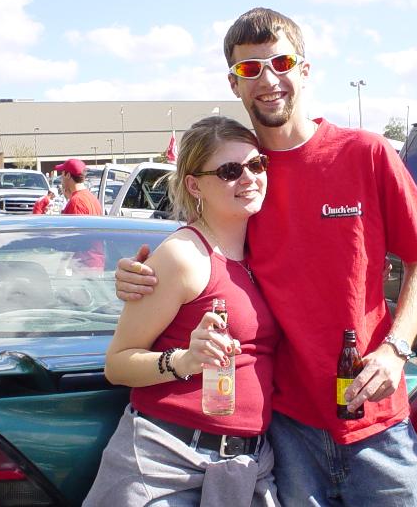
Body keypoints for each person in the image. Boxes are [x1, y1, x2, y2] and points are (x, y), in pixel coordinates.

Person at [116, 8, 417, 505]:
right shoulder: (241, 182)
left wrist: (397, 350)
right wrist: (138, 276)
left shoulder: (366, 153)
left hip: (377, 420)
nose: (268, 80)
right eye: (250, 69)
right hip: (285, 434)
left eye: (281, 63)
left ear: (304, 69)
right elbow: (203, 257)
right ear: (234, 83)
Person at [83, 117, 280, 506]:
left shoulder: (263, 251)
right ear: (194, 185)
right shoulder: (182, 256)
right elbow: (118, 364)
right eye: (230, 171)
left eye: (256, 164)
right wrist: (185, 360)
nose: (249, 178)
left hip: (248, 467)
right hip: (167, 462)